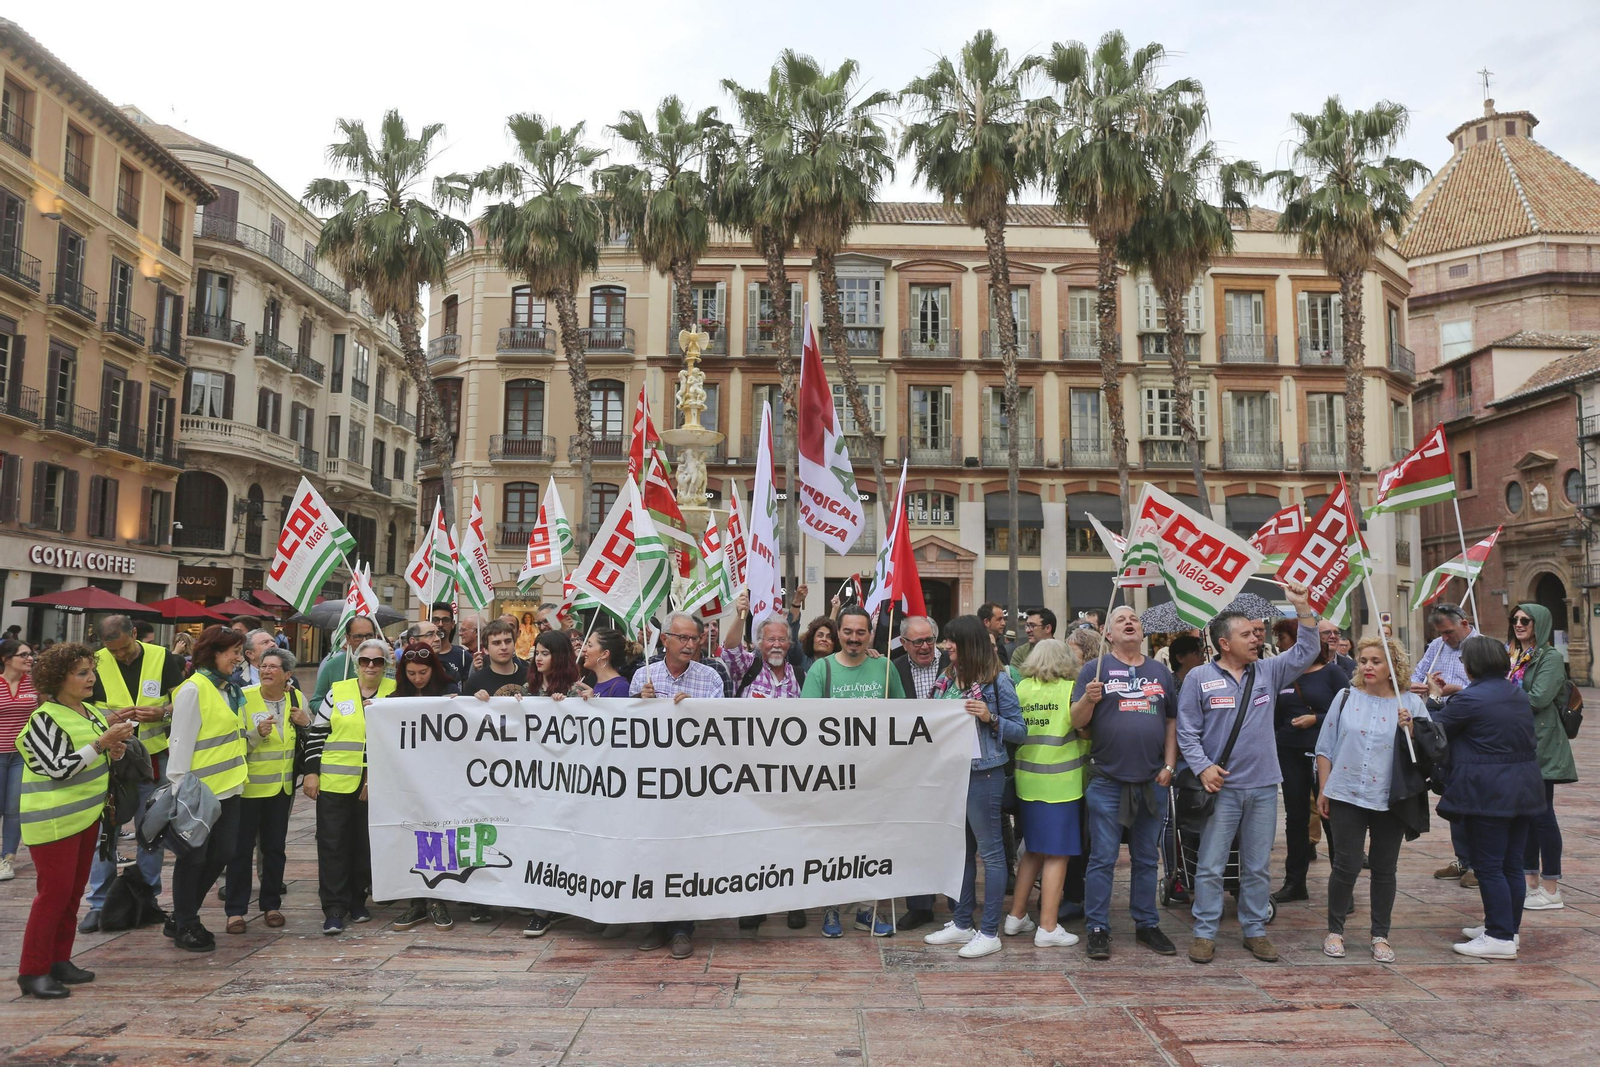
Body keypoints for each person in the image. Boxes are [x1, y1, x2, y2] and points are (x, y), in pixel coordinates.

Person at [1177, 581, 1319, 965]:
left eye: (1257, 634)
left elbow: (1309, 649)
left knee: (1256, 865)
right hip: (1220, 788)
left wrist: (1301, 608)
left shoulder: (1268, 672)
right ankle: (1204, 932)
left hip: (1262, 786)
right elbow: (1186, 730)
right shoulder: (1198, 679)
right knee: (1210, 864)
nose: (1256, 640)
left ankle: (1254, 930)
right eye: (1247, 635)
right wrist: (1203, 767)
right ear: (1225, 642)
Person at [14, 643, 136, 997]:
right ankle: (33, 971)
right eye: (81, 673)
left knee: (71, 895)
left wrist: (114, 749)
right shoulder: (43, 719)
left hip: (85, 818)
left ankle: (59, 960)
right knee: (52, 896)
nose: (91, 678)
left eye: (91, 671)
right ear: (58, 678)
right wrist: (102, 744)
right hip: (53, 823)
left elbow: (93, 755)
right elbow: (57, 768)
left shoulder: (92, 712)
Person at [1070, 607, 1179, 959]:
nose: (1129, 622)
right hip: (1107, 780)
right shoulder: (1094, 670)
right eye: (1120, 619)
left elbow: (1171, 721)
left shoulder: (1160, 672)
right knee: (1102, 858)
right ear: (1109, 635)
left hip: (1152, 780)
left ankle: (1147, 924)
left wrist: (1169, 764)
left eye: (1134, 618)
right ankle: (1098, 928)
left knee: (1147, 858)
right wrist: (1089, 697)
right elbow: (1076, 721)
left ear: (1142, 632)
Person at [1429, 636, 1547, 959]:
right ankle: (1508, 929)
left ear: (1471, 665)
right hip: (1523, 788)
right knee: (1512, 863)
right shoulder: (1515, 692)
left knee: (1489, 865)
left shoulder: (1470, 699)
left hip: (1489, 791)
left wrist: (1437, 698)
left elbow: (1436, 730)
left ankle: (1498, 937)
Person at [1314, 636, 1427, 961]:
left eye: (1375, 661)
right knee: (1345, 864)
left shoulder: (1409, 703)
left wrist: (1414, 729)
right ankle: (1335, 930)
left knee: (1384, 867)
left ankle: (1381, 934)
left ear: (1392, 667)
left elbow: (1432, 748)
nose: (1366, 667)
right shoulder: (1346, 696)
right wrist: (1324, 788)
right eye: (1363, 660)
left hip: (1391, 796)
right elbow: (1326, 746)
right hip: (1346, 791)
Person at [923, 615, 1025, 959]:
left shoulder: (998, 681)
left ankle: (990, 931)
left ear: (968, 644)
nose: (945, 646)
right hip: (951, 774)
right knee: (961, 852)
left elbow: (1020, 732)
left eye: (951, 640)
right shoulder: (946, 678)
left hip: (983, 775)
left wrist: (989, 717)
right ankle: (962, 921)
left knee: (992, 854)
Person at [800, 605, 904, 939]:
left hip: (876, 777)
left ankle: (866, 912)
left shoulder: (885, 667)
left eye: (861, 633)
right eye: (848, 632)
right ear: (837, 633)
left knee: (872, 845)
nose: (854, 639)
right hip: (832, 778)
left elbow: (904, 717)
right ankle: (830, 911)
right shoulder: (821, 669)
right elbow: (805, 723)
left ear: (870, 635)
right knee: (833, 845)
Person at [80, 614, 187, 933]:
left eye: (124, 649)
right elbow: (80, 706)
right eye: (112, 651)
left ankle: (148, 897)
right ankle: (99, 904)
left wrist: (163, 712)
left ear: (135, 634)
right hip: (109, 760)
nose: (120, 656)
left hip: (152, 759)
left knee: (150, 831)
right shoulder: (93, 662)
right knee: (104, 832)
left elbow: (186, 700)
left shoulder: (165, 658)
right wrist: (106, 719)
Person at [630, 613, 726, 959]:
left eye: (694, 639)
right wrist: (639, 703)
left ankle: (683, 927)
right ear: (665, 640)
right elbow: (625, 730)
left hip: (693, 783)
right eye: (682, 638)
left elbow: (723, 729)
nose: (689, 644)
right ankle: (656, 923)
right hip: (652, 782)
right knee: (654, 850)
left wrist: (697, 711)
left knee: (686, 854)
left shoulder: (711, 678)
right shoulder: (644, 675)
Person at [166, 625, 250, 952]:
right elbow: (180, 743)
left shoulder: (229, 690)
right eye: (234, 652)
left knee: (223, 854)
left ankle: (182, 914)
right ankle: (185, 921)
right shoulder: (193, 690)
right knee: (193, 859)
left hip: (230, 790)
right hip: (199, 794)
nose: (238, 659)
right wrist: (177, 792)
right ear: (215, 652)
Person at [305, 637, 394, 936]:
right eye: (365, 660)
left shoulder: (395, 693)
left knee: (364, 845)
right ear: (356, 663)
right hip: (334, 781)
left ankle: (358, 900)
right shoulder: (338, 691)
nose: (371, 666)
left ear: (386, 665)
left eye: (378, 661)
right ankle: (334, 908)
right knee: (332, 845)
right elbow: (318, 733)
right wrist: (311, 772)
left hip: (376, 784)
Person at [1002, 637, 1085, 949]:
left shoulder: (1021, 689)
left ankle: (1016, 916)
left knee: (1034, 849)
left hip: (1027, 782)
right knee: (1058, 854)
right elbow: (1084, 733)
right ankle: (1048, 927)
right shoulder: (1070, 690)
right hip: (1062, 784)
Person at [224, 647, 308, 933]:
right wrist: (255, 735)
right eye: (264, 666)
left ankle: (271, 906)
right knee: (240, 850)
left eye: (274, 667)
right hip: (248, 790)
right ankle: (235, 912)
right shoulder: (242, 698)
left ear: (288, 674)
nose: (267, 671)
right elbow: (231, 743)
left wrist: (305, 723)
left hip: (282, 790)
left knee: (274, 850)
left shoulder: (296, 698)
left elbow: (308, 740)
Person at [1272, 618, 1350, 903]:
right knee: (1296, 819)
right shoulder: (1282, 674)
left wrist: (1315, 718)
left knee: (1330, 817)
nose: (1278, 645)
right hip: (1289, 752)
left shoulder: (1332, 674)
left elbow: (1348, 710)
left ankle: (1342, 888)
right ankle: (1295, 882)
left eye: (1282, 638)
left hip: (1325, 755)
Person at [1507, 603, 1577, 911]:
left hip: (1543, 746)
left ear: (1541, 624)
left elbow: (1538, 698)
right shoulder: (1514, 656)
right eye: (1516, 619)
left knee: (1542, 814)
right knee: (1524, 815)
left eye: (1526, 620)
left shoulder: (1550, 657)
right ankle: (1531, 883)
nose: (1519, 624)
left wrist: (1501, 692)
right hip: (1519, 743)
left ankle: (1551, 888)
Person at [1406, 606, 1481, 888]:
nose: (1446, 638)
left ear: (1464, 623)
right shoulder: (1437, 646)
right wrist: (1425, 685)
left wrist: (1454, 689)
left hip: (1470, 727)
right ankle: (1462, 858)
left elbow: (1489, 686)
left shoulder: (1481, 646)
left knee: (1472, 795)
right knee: (1451, 792)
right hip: (1441, 723)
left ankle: (1479, 863)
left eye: (1449, 632)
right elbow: (1418, 675)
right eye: (1441, 633)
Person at [390, 644, 463, 932]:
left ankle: (438, 899)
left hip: (442, 779)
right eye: (410, 673)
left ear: (433, 669)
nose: (417, 678)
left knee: (438, 836)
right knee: (410, 836)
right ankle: (416, 901)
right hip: (407, 780)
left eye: (422, 672)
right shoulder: (396, 697)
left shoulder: (449, 690)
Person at [891, 615, 946, 931]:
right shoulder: (892, 668)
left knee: (952, 832)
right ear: (904, 643)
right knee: (913, 834)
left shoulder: (954, 663)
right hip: (909, 767)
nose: (925, 647)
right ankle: (920, 905)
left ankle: (958, 903)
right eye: (917, 642)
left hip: (949, 764)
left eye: (929, 640)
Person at [0, 640, 39, 882]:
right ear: (6, 659)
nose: (29, 658)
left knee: (14, 810)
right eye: (23, 655)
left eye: (30, 654)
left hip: (22, 756)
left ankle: (7, 859)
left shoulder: (35, 684)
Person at [309, 615, 380, 729]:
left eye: (369, 635)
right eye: (358, 636)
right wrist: (342, 710)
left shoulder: (386, 664)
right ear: (347, 639)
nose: (365, 641)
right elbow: (315, 702)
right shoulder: (333, 665)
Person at [465, 619, 529, 698]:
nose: (504, 647)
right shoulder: (475, 682)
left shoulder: (531, 677)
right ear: (486, 649)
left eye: (508, 641)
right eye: (496, 643)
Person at [576, 629, 631, 698]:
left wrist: (594, 703)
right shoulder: (595, 683)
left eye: (590, 645)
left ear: (604, 654)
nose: (583, 649)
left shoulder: (620, 687)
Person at [1009, 609, 1056, 675]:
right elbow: (1016, 678)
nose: (1027, 630)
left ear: (1047, 628)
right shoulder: (1021, 653)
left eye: (1032, 626)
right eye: (1027, 625)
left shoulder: (1063, 652)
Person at [431, 604, 470, 681]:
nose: (440, 624)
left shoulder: (463, 656)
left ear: (452, 624)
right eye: (435, 620)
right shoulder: (420, 654)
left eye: (445, 620)